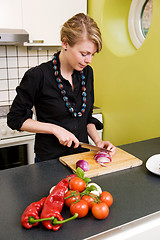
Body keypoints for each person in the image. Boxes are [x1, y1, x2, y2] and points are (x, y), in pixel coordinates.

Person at [7, 13, 116, 162]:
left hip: (82, 159)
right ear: (65, 43)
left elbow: (87, 117)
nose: (89, 60)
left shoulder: (87, 73)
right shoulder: (38, 75)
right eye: (84, 53)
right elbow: (15, 119)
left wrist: (98, 142)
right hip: (50, 162)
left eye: (92, 55)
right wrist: (54, 129)